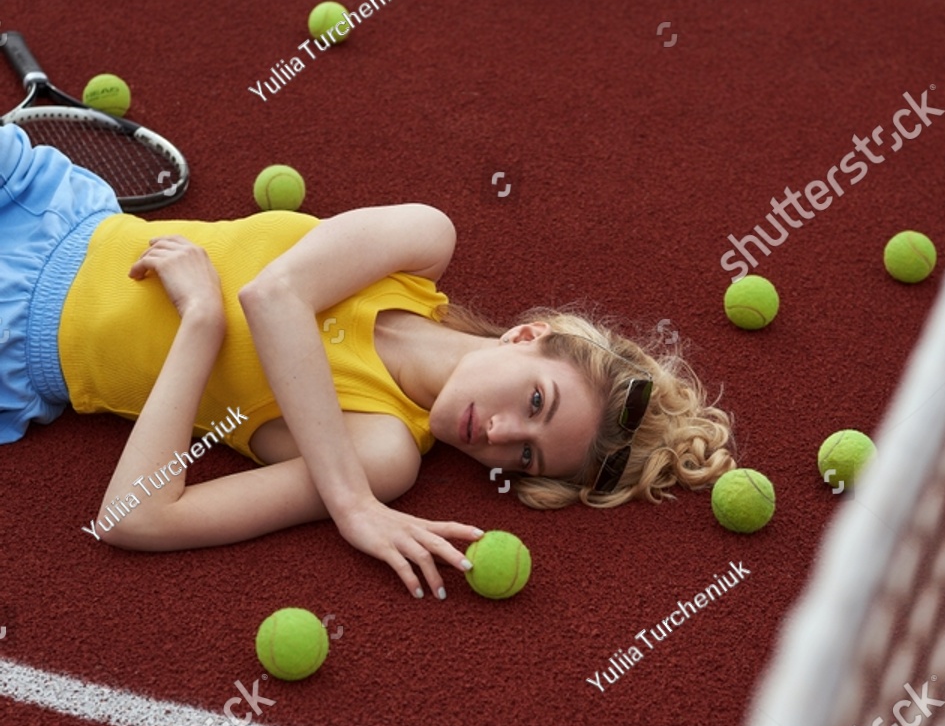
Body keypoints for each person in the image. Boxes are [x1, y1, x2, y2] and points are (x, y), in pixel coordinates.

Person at [0, 122, 736, 598]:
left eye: (526, 458)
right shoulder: (423, 242)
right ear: (526, 335)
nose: (502, 435)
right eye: (536, 402)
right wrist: (351, 509)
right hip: (45, 207)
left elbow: (133, 518)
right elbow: (273, 295)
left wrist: (198, 325)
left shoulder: (380, 452)